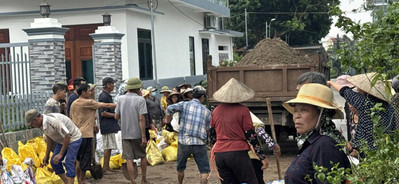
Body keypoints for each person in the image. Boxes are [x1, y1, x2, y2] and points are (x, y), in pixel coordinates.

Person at [284, 83, 351, 183]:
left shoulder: (325, 146)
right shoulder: (312, 143)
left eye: (303, 110)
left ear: (322, 114)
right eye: (295, 110)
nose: (297, 116)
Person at [210, 78, 266, 184]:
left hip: (220, 155)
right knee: (250, 181)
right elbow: (251, 135)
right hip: (237, 153)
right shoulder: (243, 110)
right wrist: (261, 157)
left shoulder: (216, 110)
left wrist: (216, 148)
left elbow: (212, 133)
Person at [329, 72, 397, 153]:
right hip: (387, 150)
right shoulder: (389, 107)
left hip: (368, 152)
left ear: (365, 90)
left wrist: (330, 83)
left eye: (359, 88)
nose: (357, 89)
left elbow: (345, 91)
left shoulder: (365, 103)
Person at [70, 84, 116, 184]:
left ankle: (79, 180)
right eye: (89, 91)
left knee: (78, 159)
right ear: (83, 93)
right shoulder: (88, 102)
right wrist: (121, 104)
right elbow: (106, 105)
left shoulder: (74, 103)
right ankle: (83, 180)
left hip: (76, 134)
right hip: (86, 134)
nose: (91, 93)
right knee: (85, 159)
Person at [164, 86, 211, 184]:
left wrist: (167, 121)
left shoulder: (184, 105)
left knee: (180, 167)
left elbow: (169, 108)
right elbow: (207, 128)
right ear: (202, 97)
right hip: (199, 143)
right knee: (204, 171)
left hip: (184, 142)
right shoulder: (207, 111)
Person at [25, 109, 82, 184]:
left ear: (36, 120)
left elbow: (67, 136)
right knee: (54, 162)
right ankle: (66, 182)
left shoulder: (52, 121)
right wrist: (47, 155)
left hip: (73, 138)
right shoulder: (41, 125)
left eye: (31, 124)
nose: (32, 126)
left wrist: (61, 154)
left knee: (69, 162)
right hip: (62, 140)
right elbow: (49, 138)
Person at [114, 77, 149, 184]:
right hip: (137, 134)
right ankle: (143, 179)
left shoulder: (120, 99)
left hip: (125, 133)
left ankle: (133, 181)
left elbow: (116, 116)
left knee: (129, 159)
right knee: (142, 155)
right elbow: (141, 118)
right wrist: (143, 136)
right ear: (138, 88)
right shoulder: (141, 100)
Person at [98, 77, 120, 174]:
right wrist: (115, 116)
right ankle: (105, 168)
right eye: (112, 83)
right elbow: (103, 113)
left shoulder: (107, 95)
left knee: (110, 146)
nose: (113, 85)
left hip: (109, 125)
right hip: (107, 125)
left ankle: (106, 167)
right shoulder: (104, 97)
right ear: (108, 85)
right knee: (107, 146)